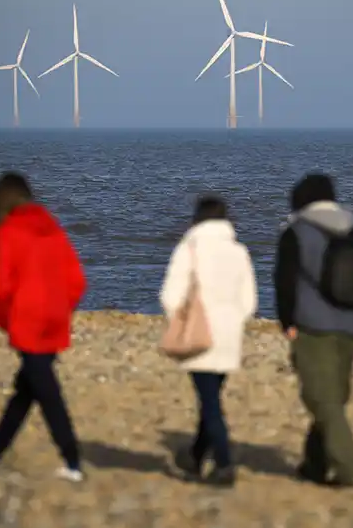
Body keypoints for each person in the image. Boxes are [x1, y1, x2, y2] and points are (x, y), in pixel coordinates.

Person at [273, 173, 353, 489]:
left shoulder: (295, 232)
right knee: (334, 396)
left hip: (314, 325)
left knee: (321, 398)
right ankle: (315, 465)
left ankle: (348, 470)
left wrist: (287, 322)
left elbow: (284, 281)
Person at [0, 171, 87, 482]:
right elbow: (76, 280)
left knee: (47, 392)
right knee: (26, 388)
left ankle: (73, 460)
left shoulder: (9, 231)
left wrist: (7, 321)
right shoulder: (52, 227)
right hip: (54, 319)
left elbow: (3, 287)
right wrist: (62, 309)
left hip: (28, 321)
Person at [160, 195, 258, 488]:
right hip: (229, 334)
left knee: (210, 402)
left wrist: (178, 321)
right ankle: (195, 455)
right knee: (211, 396)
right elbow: (249, 301)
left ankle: (224, 462)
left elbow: (170, 295)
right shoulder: (238, 251)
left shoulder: (190, 248)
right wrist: (234, 320)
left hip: (198, 333)